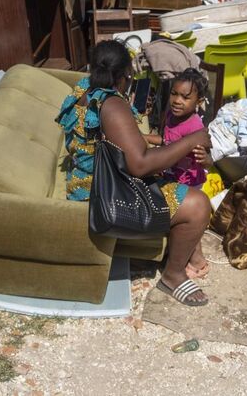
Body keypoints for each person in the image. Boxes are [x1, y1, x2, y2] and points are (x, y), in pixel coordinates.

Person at [57, 41, 213, 307]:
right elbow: (139, 165)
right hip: (106, 191)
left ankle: (180, 257)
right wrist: (191, 140)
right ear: (125, 75)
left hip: (84, 181)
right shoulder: (112, 104)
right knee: (198, 205)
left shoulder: (83, 88)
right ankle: (173, 275)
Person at [143, 68, 212, 279]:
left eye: (185, 97)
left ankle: (197, 263)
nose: (177, 100)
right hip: (173, 175)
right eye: (174, 94)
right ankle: (191, 259)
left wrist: (206, 159)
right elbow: (167, 142)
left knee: (189, 222)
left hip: (190, 180)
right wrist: (142, 137)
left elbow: (209, 156)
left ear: (198, 101)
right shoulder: (171, 116)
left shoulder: (194, 126)